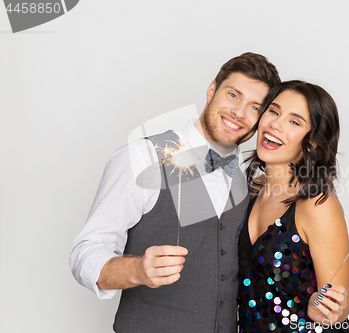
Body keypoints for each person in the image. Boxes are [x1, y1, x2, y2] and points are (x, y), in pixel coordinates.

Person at [69, 52, 281, 333]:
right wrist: (137, 270)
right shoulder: (142, 158)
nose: (239, 113)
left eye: (255, 107)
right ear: (211, 90)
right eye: (233, 95)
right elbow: (85, 252)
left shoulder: (249, 180)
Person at [237, 81, 349, 332]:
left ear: (313, 143)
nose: (275, 124)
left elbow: (340, 305)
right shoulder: (252, 190)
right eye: (274, 111)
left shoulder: (317, 204)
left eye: (295, 121)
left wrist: (326, 309)